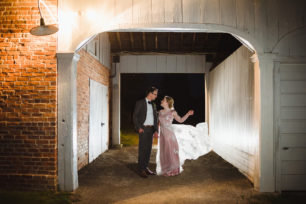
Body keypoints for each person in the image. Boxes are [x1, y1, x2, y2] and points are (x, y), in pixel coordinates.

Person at [157, 96, 194, 176]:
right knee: (164, 152)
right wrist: (156, 132)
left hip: (170, 135)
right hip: (162, 135)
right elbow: (159, 123)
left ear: (167, 102)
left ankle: (173, 170)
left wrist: (187, 114)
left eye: (163, 100)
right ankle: (166, 169)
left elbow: (180, 120)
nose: (161, 101)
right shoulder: (160, 112)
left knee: (170, 152)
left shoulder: (172, 112)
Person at [133, 87, 159, 178]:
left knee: (148, 150)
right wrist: (138, 127)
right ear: (150, 93)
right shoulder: (140, 103)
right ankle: (141, 169)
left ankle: (146, 167)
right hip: (143, 129)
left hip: (151, 130)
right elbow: (135, 116)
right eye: (155, 94)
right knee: (143, 149)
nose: (156, 96)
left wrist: (156, 130)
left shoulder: (154, 105)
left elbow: (156, 118)